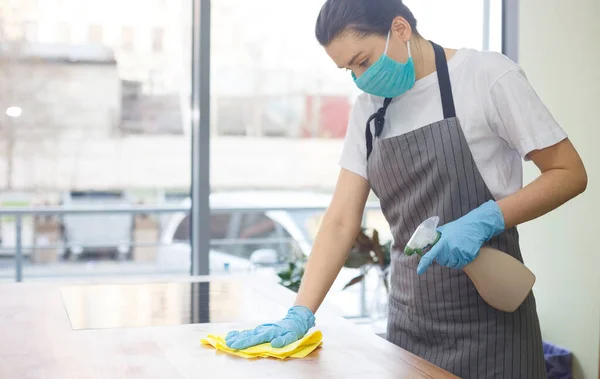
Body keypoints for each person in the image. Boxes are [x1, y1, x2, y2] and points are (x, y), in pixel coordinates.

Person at [224, 0, 588, 377]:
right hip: (408, 327)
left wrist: (486, 219)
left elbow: (568, 172)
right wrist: (301, 312)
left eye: (363, 61)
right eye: (348, 69)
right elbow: (339, 221)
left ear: (400, 29)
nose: (360, 77)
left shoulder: (486, 76)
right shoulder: (368, 109)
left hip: (492, 327)